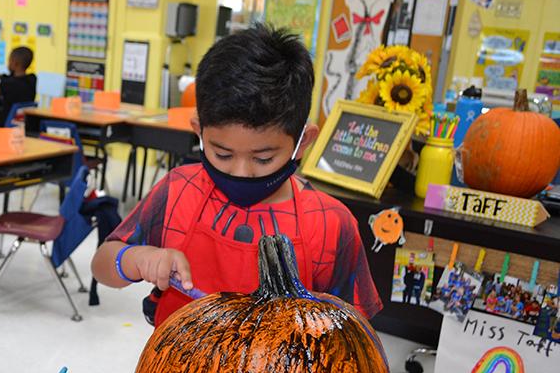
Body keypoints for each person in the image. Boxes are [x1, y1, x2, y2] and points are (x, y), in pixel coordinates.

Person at [91, 25, 381, 327]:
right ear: (199, 132)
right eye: (222, 154)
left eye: (263, 158)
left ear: (302, 143)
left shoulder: (330, 223)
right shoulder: (178, 191)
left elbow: (354, 331)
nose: (241, 172)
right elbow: (102, 264)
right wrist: (136, 259)